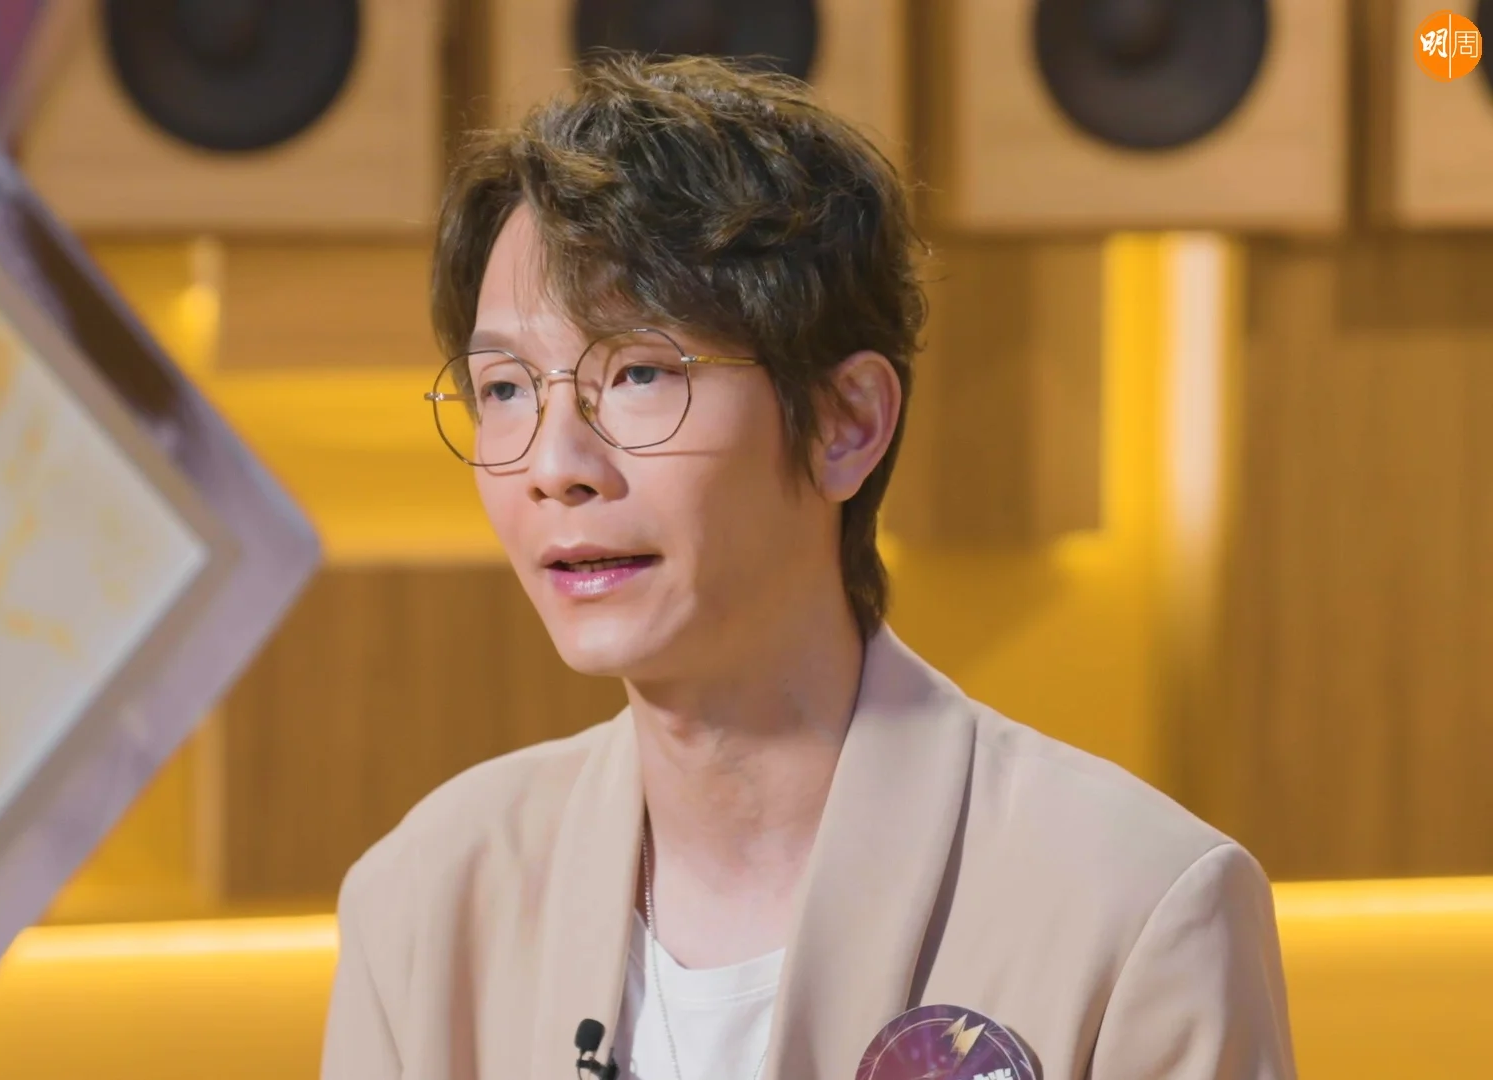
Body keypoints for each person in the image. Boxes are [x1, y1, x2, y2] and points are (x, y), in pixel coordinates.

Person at [320, 54, 1295, 1080]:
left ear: (846, 422)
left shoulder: (1137, 908)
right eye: (506, 388)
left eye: (639, 372)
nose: (554, 466)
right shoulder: (426, 901)